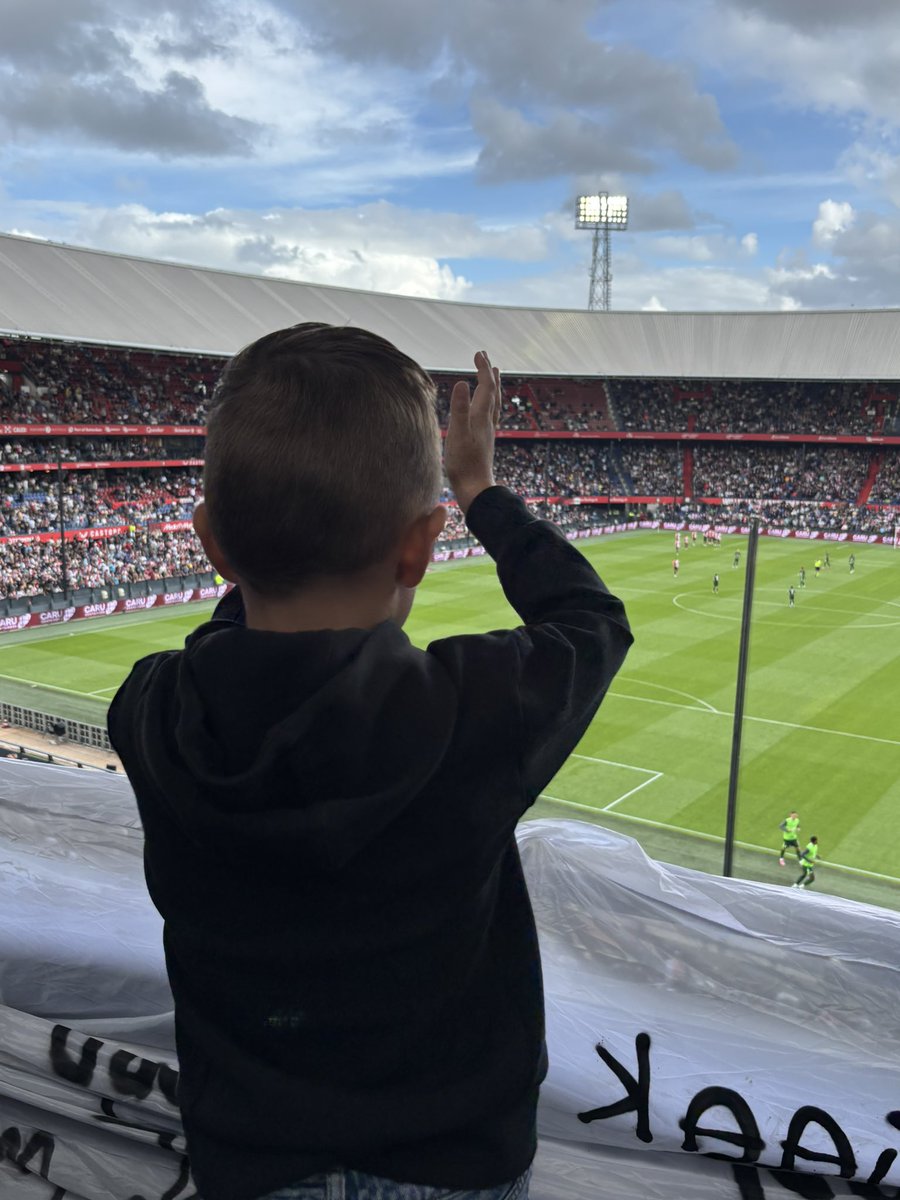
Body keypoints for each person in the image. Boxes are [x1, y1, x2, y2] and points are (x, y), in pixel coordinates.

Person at [107, 326, 633, 1200]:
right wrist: (480, 490)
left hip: (249, 1166)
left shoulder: (152, 711)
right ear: (421, 546)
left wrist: (260, 545)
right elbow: (590, 621)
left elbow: (226, 644)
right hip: (457, 1164)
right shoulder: (473, 711)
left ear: (212, 547)